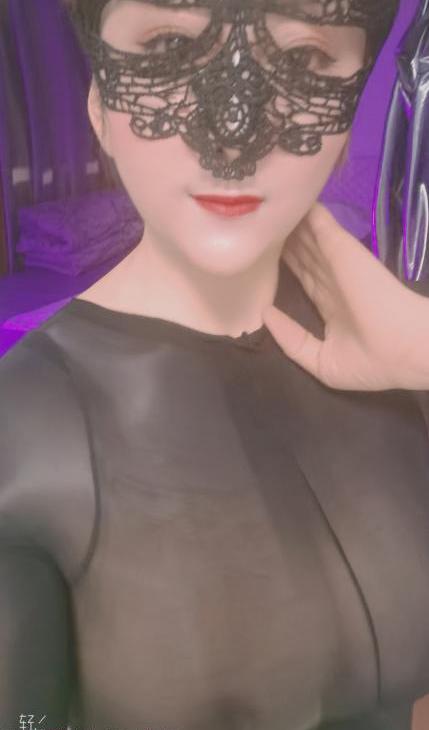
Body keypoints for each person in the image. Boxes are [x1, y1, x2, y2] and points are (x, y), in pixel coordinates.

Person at [1, 2, 429, 730]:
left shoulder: (399, 357)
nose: (234, 130)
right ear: (100, 108)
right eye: (168, 47)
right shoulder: (24, 430)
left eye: (302, 61)